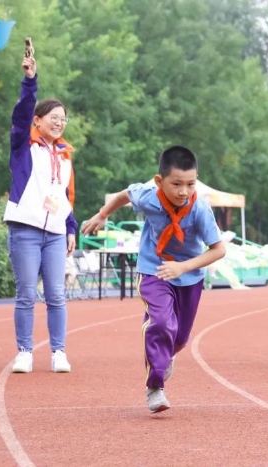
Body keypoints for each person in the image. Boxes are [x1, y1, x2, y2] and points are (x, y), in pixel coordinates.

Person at [81, 145, 226, 413]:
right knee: (160, 323)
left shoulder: (200, 210)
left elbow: (219, 249)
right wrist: (103, 214)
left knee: (179, 338)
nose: (184, 191)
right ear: (160, 181)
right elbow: (124, 194)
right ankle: (155, 386)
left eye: (191, 184)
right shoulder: (149, 196)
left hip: (189, 276)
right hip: (153, 270)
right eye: (177, 184)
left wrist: (183, 267)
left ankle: (165, 355)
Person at [3, 55, 77, 374]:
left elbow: (66, 195)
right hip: (25, 229)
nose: (59, 122)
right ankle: (24, 351)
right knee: (26, 294)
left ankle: (58, 352)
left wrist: (71, 228)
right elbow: (21, 115)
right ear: (39, 120)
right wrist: (30, 81)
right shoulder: (24, 145)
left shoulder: (65, 154)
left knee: (57, 295)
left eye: (63, 118)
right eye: (53, 117)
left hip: (57, 234)